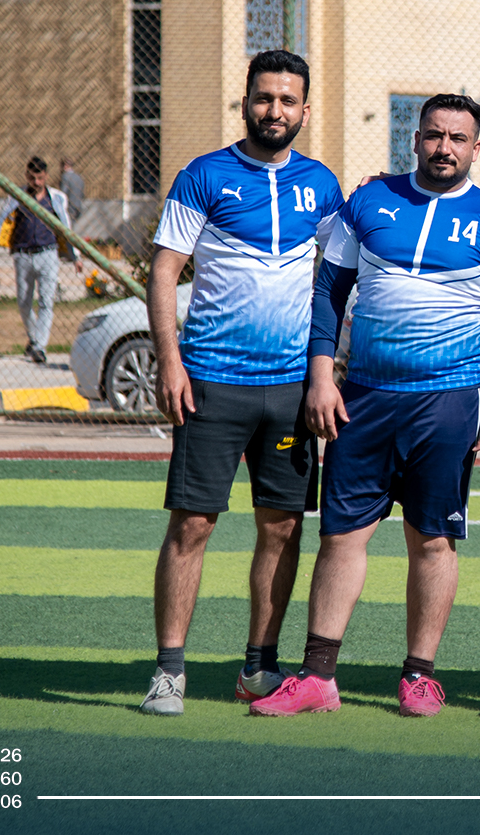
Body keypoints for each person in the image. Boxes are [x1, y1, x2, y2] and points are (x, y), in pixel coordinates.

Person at [250, 94, 480, 720]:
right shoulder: (369, 202)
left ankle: (419, 676)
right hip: (363, 399)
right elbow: (328, 294)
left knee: (433, 541)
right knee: (341, 536)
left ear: (477, 148)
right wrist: (321, 378)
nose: (444, 148)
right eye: (433, 135)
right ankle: (318, 676)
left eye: (457, 139)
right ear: (415, 138)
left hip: (447, 404)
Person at [137, 49, 344, 717]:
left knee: (281, 527)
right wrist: (170, 361)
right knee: (193, 524)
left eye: (287, 100)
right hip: (211, 384)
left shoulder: (322, 185)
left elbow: (340, 276)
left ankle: (259, 667)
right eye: (263, 98)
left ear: (304, 110)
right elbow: (164, 270)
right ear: (246, 101)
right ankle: (169, 671)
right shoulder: (204, 175)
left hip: (290, 392)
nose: (274, 110)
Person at [0, 156, 73, 364]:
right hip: (23, 255)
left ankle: (39, 347)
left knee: (47, 302)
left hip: (48, 254)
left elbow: (66, 227)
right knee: (23, 302)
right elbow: (1, 222)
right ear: (26, 176)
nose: (36, 182)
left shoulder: (56, 198)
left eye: (40, 178)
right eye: (32, 178)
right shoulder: (17, 197)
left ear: (46, 176)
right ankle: (34, 337)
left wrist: (75, 256)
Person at [59, 157, 86, 225]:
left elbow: (63, 192)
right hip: (78, 205)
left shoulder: (65, 176)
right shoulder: (79, 177)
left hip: (69, 206)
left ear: (65, 166)